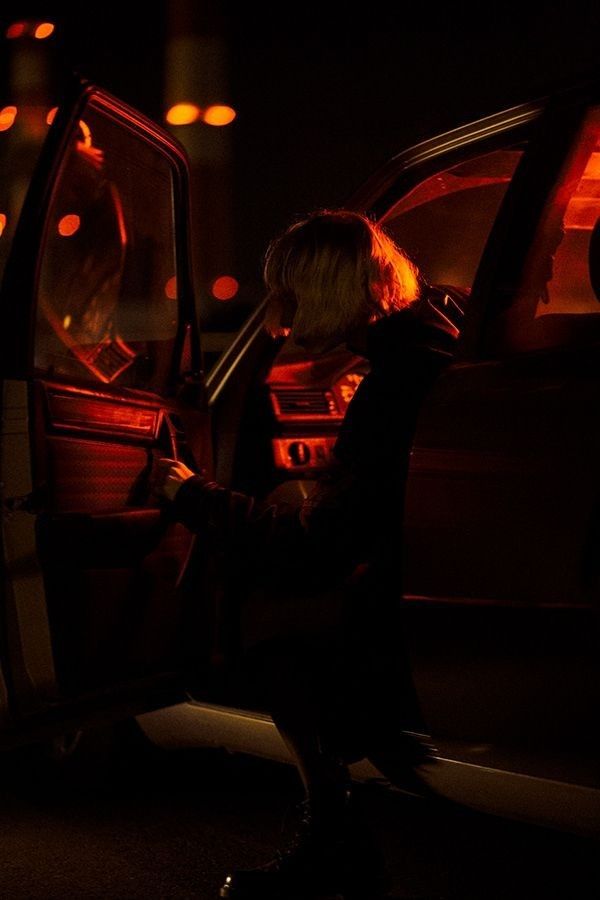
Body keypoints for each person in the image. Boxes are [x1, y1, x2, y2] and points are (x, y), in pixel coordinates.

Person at [155, 210, 460, 899]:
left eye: (289, 291)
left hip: (409, 594)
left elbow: (320, 546)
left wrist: (195, 496)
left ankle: (334, 841)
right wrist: (316, 490)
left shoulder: (395, 379)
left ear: (327, 290)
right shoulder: (422, 343)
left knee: (274, 629)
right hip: (433, 564)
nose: (280, 311)